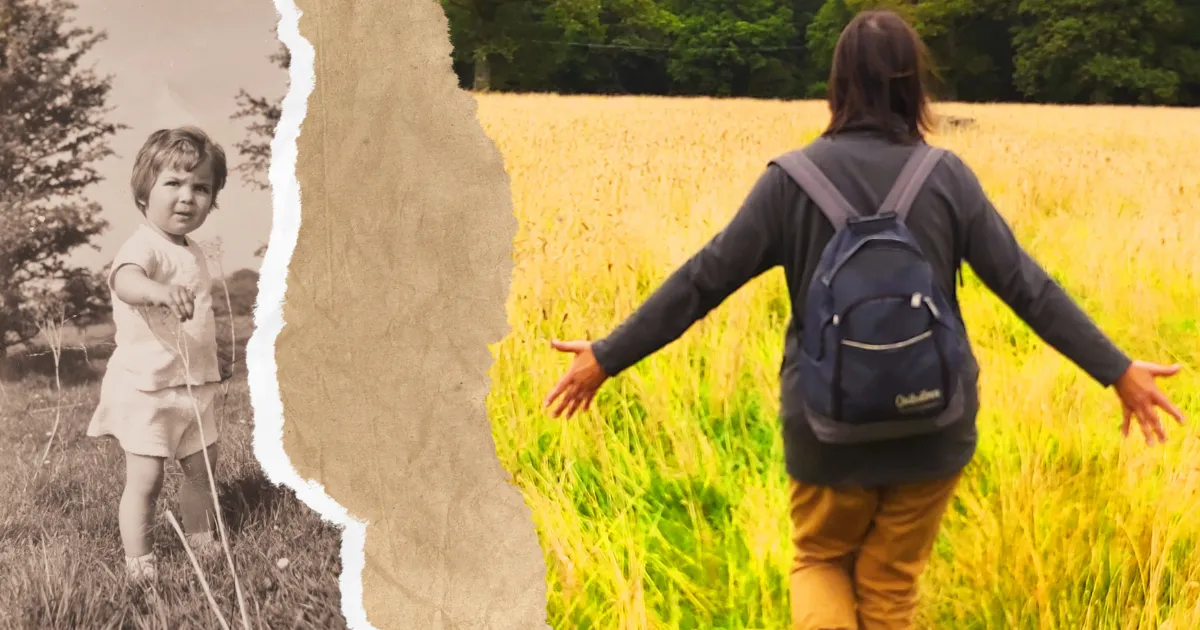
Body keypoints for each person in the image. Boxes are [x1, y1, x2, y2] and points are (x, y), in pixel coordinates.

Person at [542, 9, 1186, 630]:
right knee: (890, 585)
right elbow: (1029, 287)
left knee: (821, 560)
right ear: (915, 86)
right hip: (934, 427)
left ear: (837, 83)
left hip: (827, 431)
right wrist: (1118, 370)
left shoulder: (788, 183)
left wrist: (607, 356)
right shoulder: (947, 178)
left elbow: (702, 279)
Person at [87, 126, 231, 583]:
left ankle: (203, 542)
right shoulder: (143, 246)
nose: (188, 197)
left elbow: (199, 318)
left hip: (191, 386)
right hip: (148, 389)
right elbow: (125, 281)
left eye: (201, 187)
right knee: (146, 482)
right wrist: (157, 291)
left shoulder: (194, 251)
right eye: (173, 183)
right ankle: (141, 563)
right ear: (144, 191)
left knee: (203, 472)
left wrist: (213, 358)